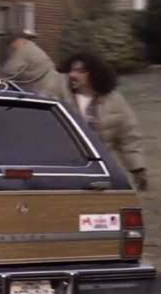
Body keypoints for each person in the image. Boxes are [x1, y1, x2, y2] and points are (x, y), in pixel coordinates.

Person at [60, 52, 148, 191]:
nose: (72, 75)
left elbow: (128, 137)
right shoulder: (60, 98)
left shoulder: (115, 101)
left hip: (101, 170)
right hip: (67, 168)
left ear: (95, 74)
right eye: (71, 70)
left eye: (80, 71)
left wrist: (137, 168)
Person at [0, 33, 72, 105]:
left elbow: (9, 72)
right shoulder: (32, 46)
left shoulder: (21, 49)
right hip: (52, 81)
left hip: (45, 90)